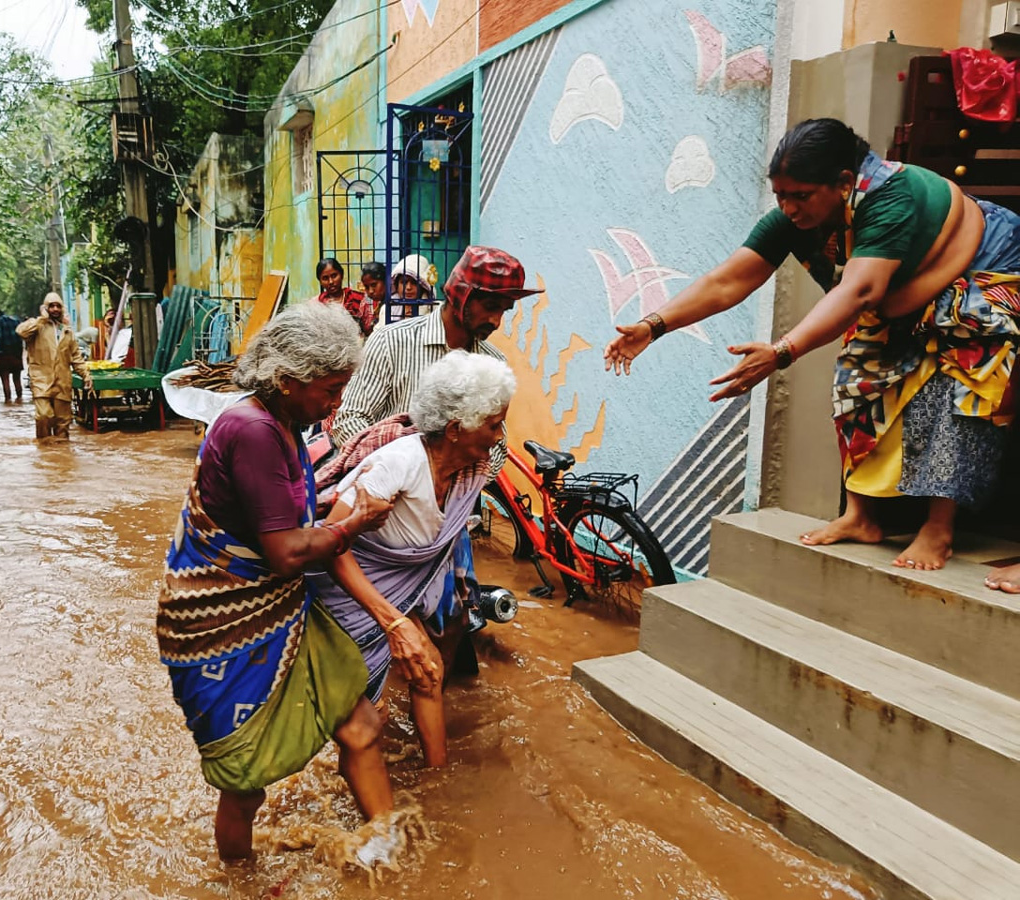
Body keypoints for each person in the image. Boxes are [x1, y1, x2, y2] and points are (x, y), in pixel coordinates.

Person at [604, 118, 1020, 572]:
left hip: (985, 266)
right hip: (896, 291)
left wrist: (782, 351)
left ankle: (938, 528)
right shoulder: (796, 214)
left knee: (960, 380)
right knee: (857, 378)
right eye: (780, 195)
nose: (788, 207)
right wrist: (654, 325)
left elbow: (859, 291)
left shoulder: (888, 198)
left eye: (799, 196)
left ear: (843, 183)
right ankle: (860, 517)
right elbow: (729, 280)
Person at [158, 302, 433, 861]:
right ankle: (237, 882)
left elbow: (281, 517)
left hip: (280, 614)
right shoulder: (252, 430)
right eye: (330, 390)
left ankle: (386, 854)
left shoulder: (280, 422)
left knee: (359, 722)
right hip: (223, 625)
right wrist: (354, 521)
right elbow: (285, 552)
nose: (336, 405)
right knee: (243, 785)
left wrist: (333, 508)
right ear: (286, 380)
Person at [310, 351, 515, 767]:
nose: (499, 436)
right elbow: (332, 544)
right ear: (456, 429)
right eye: (494, 425)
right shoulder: (396, 464)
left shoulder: (470, 471)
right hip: (342, 599)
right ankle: (361, 808)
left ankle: (435, 780)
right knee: (366, 721)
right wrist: (394, 622)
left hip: (393, 596)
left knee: (429, 671)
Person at [332, 245, 540, 476]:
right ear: (461, 295)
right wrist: (399, 474)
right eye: (490, 307)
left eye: (504, 310)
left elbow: (497, 446)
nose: (496, 321)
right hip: (385, 496)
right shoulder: (391, 342)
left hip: (455, 503)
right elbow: (350, 421)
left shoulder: (492, 362)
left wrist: (458, 482)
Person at [16, 292, 92, 440]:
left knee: (63, 422)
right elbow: (20, 331)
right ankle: (44, 450)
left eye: (58, 306)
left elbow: (76, 357)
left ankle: (61, 457)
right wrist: (42, 319)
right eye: (51, 306)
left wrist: (86, 375)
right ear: (45, 308)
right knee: (44, 416)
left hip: (62, 382)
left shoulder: (67, 331)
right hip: (41, 381)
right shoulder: (36, 326)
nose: (55, 309)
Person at [315, 257, 374, 336]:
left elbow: (368, 330)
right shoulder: (318, 304)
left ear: (341, 274)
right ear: (320, 281)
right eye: (325, 278)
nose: (331, 282)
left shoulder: (358, 300)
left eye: (334, 276)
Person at [385, 253, 436, 321]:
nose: (408, 287)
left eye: (414, 283)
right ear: (396, 285)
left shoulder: (435, 309)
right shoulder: (388, 308)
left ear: (423, 286)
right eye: (404, 282)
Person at [0, 307, 24, 402]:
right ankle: (19, 398)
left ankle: (8, 399)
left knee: (5, 379)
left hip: (4, 354)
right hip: (16, 353)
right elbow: (21, 338)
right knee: (17, 379)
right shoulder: (16, 320)